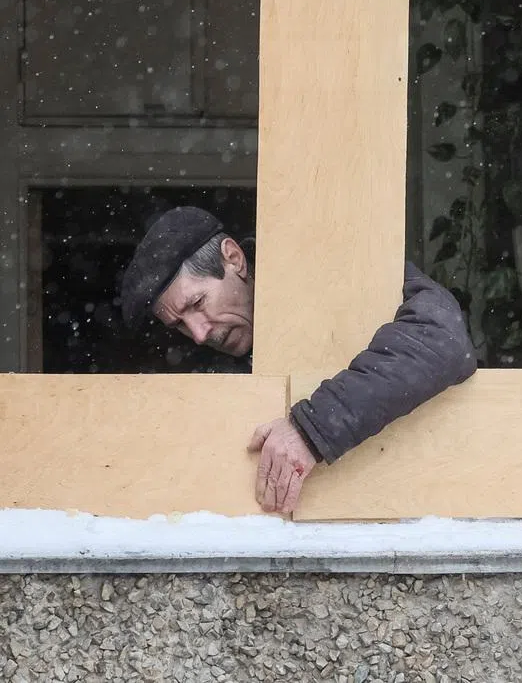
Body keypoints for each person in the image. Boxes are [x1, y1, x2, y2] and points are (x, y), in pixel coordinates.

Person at [115, 206, 476, 514]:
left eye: (197, 304)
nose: (197, 333)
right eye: (179, 324)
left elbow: (441, 338)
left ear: (234, 259)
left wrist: (311, 429)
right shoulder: (205, 364)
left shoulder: (326, 265)